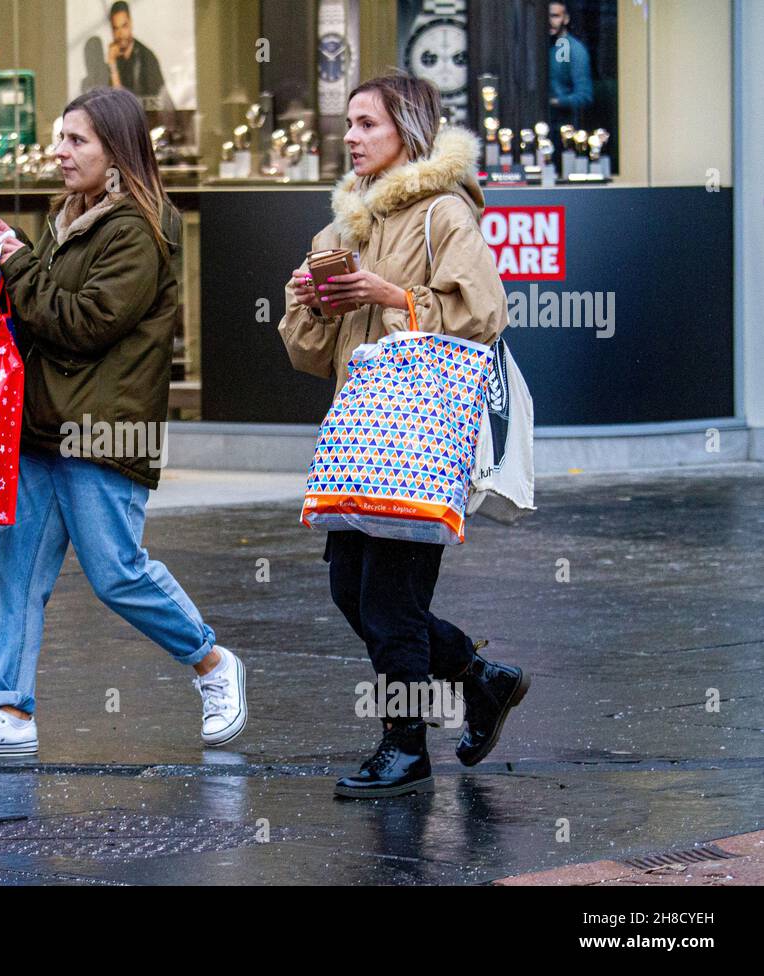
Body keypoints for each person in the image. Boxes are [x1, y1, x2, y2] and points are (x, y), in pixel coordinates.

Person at [0, 86, 246, 759]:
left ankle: (212, 664)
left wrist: (16, 261)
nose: (60, 151)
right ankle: (8, 713)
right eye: (60, 136)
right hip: (43, 426)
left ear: (116, 150)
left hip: (103, 430)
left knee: (117, 573)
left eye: (77, 140)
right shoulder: (70, 217)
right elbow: (41, 312)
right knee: (15, 573)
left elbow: (83, 323)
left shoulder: (138, 229)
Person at [277, 73, 530, 799]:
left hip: (417, 441)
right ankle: (482, 678)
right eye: (349, 125)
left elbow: (483, 314)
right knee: (350, 593)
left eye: (367, 124)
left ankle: (405, 745)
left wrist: (393, 296)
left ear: (407, 131)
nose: (351, 136)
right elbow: (311, 355)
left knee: (389, 603)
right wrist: (311, 304)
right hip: (362, 436)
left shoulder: (443, 214)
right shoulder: (342, 228)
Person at [105, 1, 174, 114]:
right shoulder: (114, 58)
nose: (120, 34)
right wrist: (112, 64)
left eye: (124, 26)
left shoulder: (147, 58)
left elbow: (157, 104)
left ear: (131, 24)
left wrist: (112, 65)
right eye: (115, 28)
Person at [548, 1, 593, 132]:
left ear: (566, 18)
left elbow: (584, 96)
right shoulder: (541, 46)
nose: (550, 21)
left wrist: (555, 102)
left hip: (563, 124)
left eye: (555, 16)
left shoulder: (575, 50)